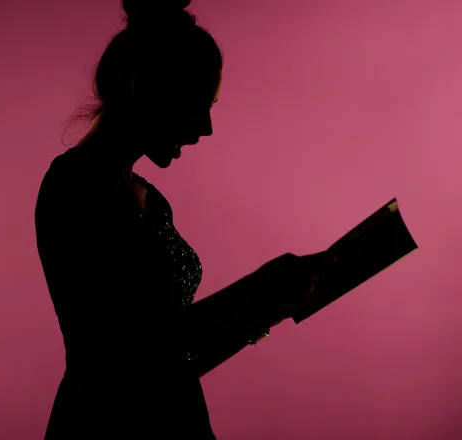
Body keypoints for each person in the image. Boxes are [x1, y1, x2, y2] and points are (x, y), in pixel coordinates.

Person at [34, 0, 327, 438]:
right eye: (196, 105)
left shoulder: (150, 199)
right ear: (144, 89)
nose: (205, 128)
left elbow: (171, 359)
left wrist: (267, 308)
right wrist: (257, 289)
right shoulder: (74, 187)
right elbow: (127, 354)